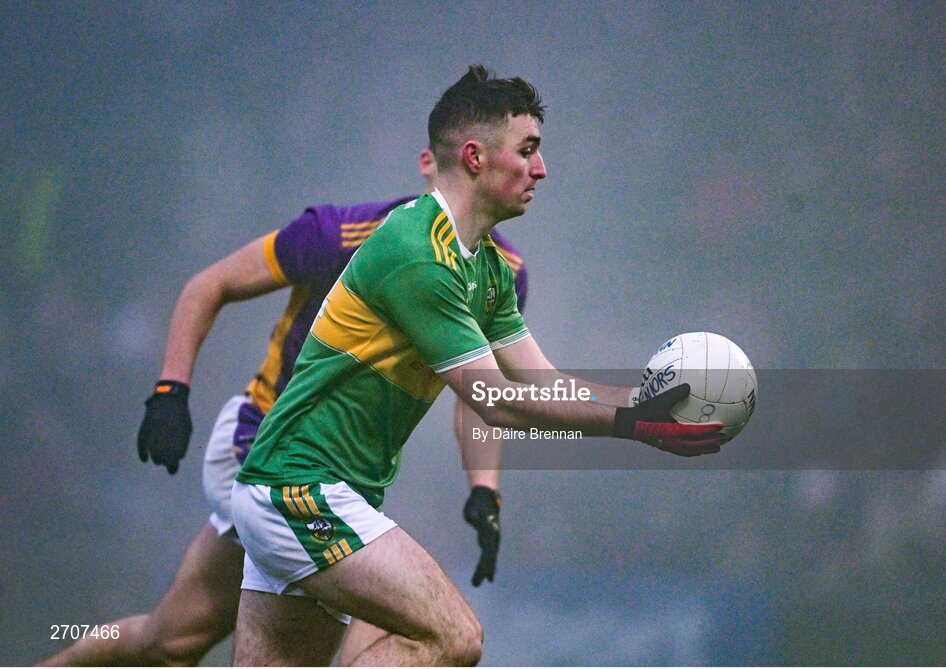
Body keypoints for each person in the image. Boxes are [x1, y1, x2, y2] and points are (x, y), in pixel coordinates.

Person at [230, 65, 726, 667]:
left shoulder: (486, 267)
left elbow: (542, 384)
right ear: (474, 156)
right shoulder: (418, 252)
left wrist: (643, 402)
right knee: (454, 637)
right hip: (299, 489)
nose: (540, 169)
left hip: (315, 490)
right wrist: (631, 427)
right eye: (527, 151)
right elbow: (496, 399)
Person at [39, 150, 525, 667]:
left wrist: (484, 489)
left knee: (172, 640)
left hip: (329, 473)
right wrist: (170, 392)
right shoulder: (340, 233)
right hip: (264, 442)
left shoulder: (500, 273)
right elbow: (211, 284)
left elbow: (481, 390)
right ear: (435, 162)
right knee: (384, 601)